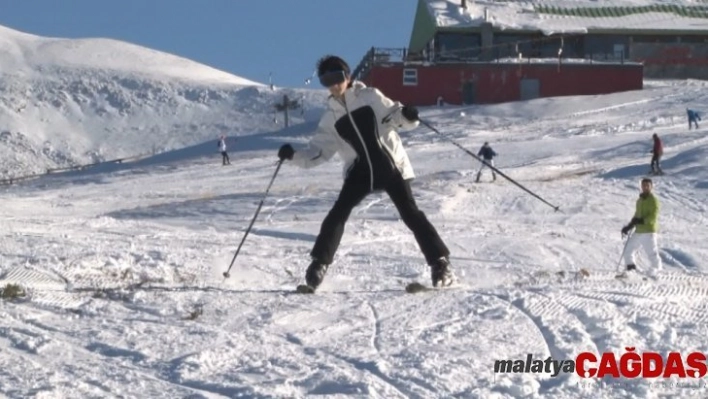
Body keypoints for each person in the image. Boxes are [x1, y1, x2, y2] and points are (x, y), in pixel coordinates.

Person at [277, 55, 453, 290]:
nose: (333, 84)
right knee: (337, 213)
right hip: (359, 169)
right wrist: (293, 155)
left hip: (388, 163)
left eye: (337, 77)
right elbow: (318, 152)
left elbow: (395, 115)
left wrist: (408, 116)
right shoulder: (331, 117)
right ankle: (319, 265)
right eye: (326, 80)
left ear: (347, 76)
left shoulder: (370, 97)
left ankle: (440, 264)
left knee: (410, 213)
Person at [619, 178, 662, 278]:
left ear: (651, 187)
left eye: (647, 185)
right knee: (628, 250)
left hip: (649, 231)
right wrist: (629, 226)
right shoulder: (640, 200)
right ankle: (631, 269)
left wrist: (642, 221)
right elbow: (637, 215)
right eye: (643, 185)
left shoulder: (654, 200)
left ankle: (657, 271)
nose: (645, 187)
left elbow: (653, 216)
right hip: (639, 230)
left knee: (651, 252)